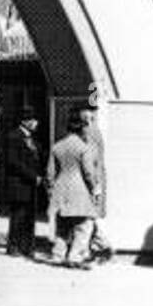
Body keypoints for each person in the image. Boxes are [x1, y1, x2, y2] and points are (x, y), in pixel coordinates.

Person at [48, 110, 101, 268]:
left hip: (60, 188)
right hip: (79, 190)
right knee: (84, 225)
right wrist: (95, 189)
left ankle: (58, 255)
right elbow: (88, 173)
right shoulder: (83, 148)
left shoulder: (56, 147)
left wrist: (51, 190)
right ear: (81, 129)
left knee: (62, 225)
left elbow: (50, 173)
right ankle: (75, 256)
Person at [1, 106, 42, 258]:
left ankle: (27, 246)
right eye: (33, 120)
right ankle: (13, 245)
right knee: (18, 216)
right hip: (19, 183)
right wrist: (33, 176)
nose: (36, 123)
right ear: (25, 121)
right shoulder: (14, 137)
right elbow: (13, 162)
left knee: (29, 216)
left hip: (30, 185)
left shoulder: (32, 138)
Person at [79, 99, 113, 262]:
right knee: (89, 216)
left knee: (88, 217)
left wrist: (93, 184)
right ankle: (99, 246)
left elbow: (89, 162)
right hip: (95, 179)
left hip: (92, 181)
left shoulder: (89, 133)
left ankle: (98, 246)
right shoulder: (94, 131)